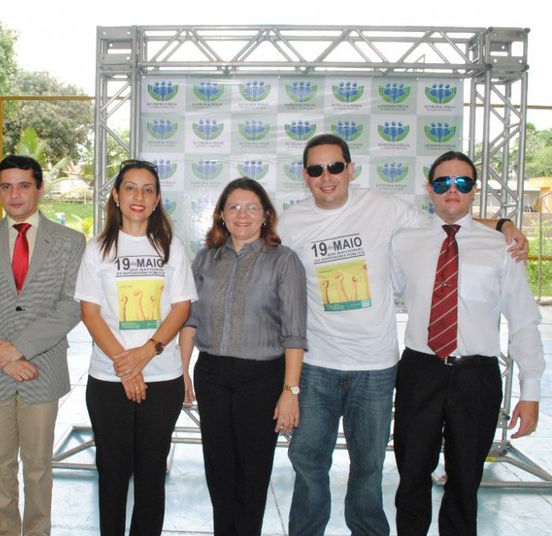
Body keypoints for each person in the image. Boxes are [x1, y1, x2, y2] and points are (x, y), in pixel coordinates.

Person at [278, 134, 529, 536]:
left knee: (370, 468)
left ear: (350, 169)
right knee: (308, 463)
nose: (327, 177)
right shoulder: (290, 222)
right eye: (316, 169)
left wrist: (501, 226)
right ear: (304, 176)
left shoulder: (384, 208)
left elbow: (447, 222)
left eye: (335, 167)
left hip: (376, 370)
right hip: (316, 366)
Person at [391, 151, 545, 536]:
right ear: (429, 189)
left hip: (476, 376)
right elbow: (381, 297)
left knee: (465, 478)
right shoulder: (403, 242)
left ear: (475, 190)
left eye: (462, 182)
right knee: (410, 475)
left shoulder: (501, 247)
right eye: (443, 182)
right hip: (419, 371)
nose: (452, 190)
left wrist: (531, 392)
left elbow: (524, 320)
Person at [0, 154, 85, 536]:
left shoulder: (69, 242)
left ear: (40, 188)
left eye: (23, 185)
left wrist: (20, 349)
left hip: (41, 370)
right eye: (5, 186)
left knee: (38, 465)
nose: (14, 194)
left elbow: (72, 306)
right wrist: (3, 357)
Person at [74, 159, 197, 536]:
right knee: (111, 473)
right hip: (108, 379)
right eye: (130, 187)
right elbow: (90, 312)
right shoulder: (98, 249)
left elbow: (181, 307)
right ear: (116, 194)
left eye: (147, 189)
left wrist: (147, 352)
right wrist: (125, 366)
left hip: (162, 378)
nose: (138, 196)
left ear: (157, 198)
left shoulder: (171, 247)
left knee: (150, 475)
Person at [179, 177, 308, 536]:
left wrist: (290, 391)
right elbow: (190, 319)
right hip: (213, 376)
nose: (243, 215)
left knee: (252, 476)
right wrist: (183, 371)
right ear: (220, 215)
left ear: (266, 215)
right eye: (234, 207)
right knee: (218, 473)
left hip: (263, 378)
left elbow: (295, 333)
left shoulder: (284, 261)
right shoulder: (205, 259)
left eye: (252, 207)